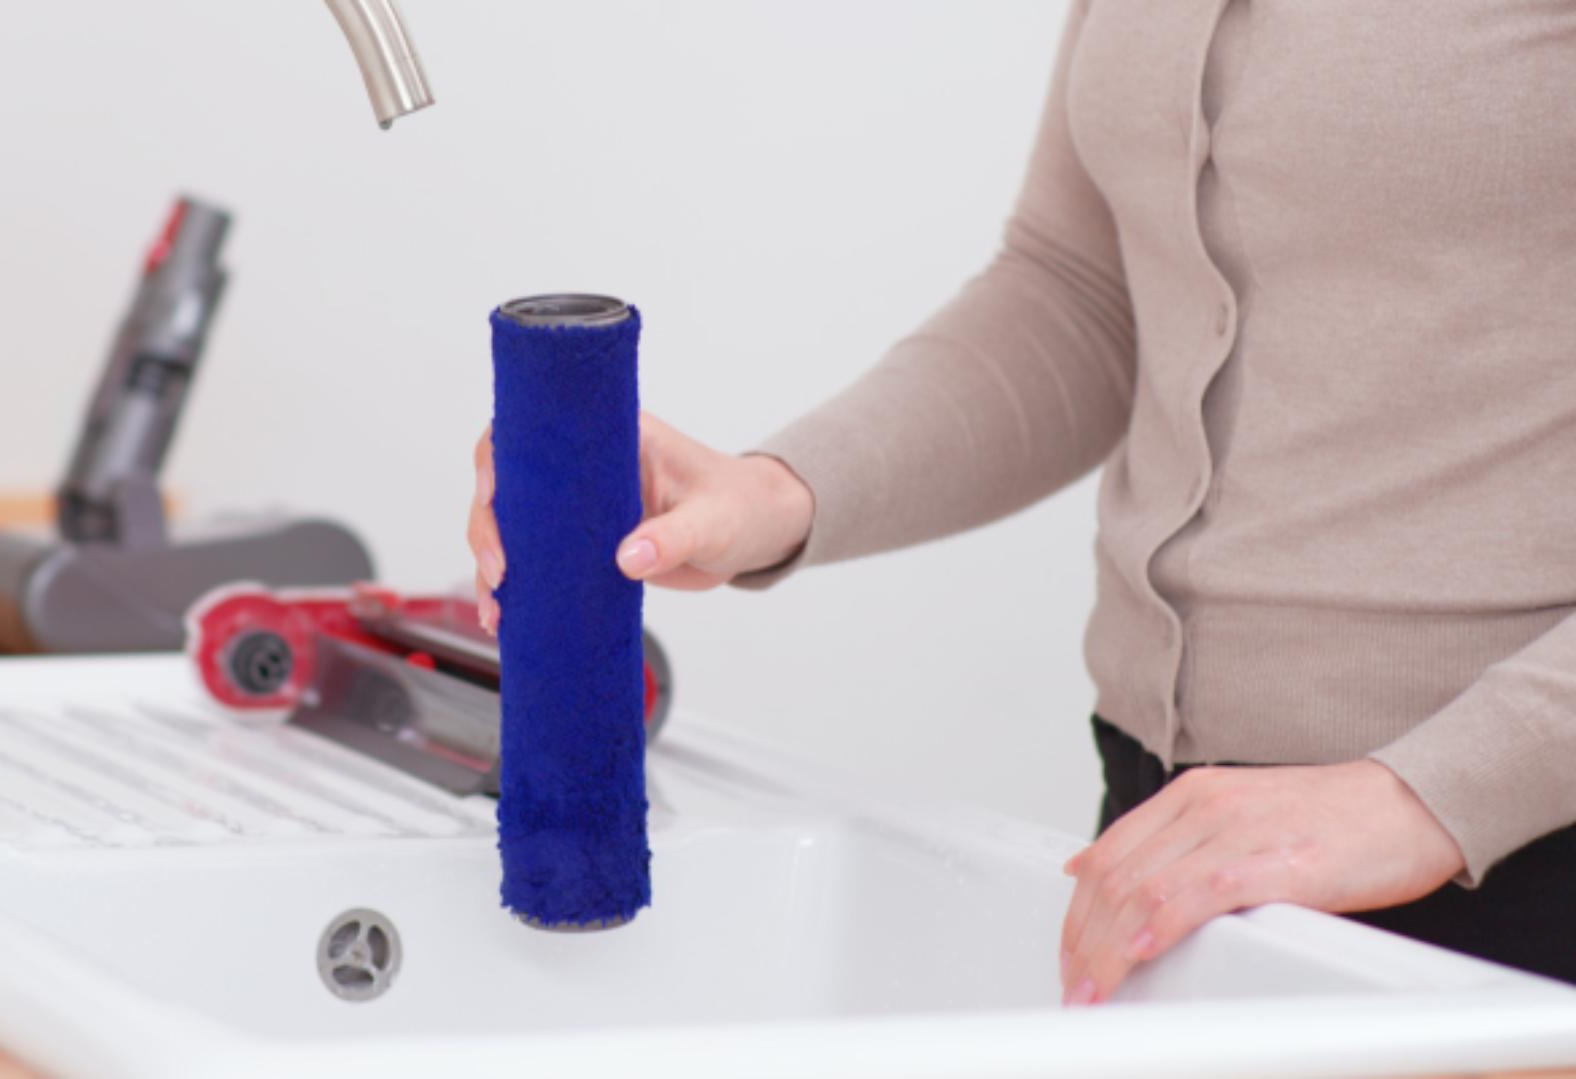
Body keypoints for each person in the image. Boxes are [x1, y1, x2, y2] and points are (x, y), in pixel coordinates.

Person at [468, 1, 1576, 1004]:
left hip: (1520, 855)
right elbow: (1083, 291)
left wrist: (1429, 794)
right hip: (1180, 838)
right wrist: (773, 493)